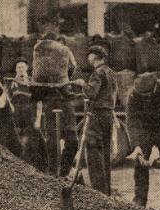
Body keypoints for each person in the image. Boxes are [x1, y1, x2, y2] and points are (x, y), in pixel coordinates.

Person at [126, 71, 160, 210]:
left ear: (154, 88)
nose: (145, 98)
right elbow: (132, 122)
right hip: (145, 131)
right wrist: (136, 145)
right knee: (140, 162)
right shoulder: (133, 94)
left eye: (147, 95)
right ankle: (140, 198)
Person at [74, 45, 117, 196]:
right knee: (105, 153)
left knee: (93, 152)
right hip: (108, 114)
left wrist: (81, 84)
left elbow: (92, 92)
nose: (88, 57)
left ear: (96, 57)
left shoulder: (97, 73)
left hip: (96, 115)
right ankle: (106, 192)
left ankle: (98, 193)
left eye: (90, 55)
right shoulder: (111, 72)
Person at [37, 33, 79, 177]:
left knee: (72, 140)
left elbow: (73, 67)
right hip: (51, 99)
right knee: (52, 140)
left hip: (66, 98)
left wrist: (63, 77)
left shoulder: (67, 54)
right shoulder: (44, 58)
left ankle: (64, 171)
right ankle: (53, 173)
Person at [10, 57, 48, 172]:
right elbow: (8, 101)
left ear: (27, 68)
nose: (20, 69)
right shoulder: (12, 84)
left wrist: (38, 119)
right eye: (18, 67)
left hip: (31, 117)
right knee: (20, 143)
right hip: (17, 118)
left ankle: (37, 170)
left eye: (22, 67)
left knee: (34, 143)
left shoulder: (32, 83)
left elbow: (39, 103)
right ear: (16, 70)